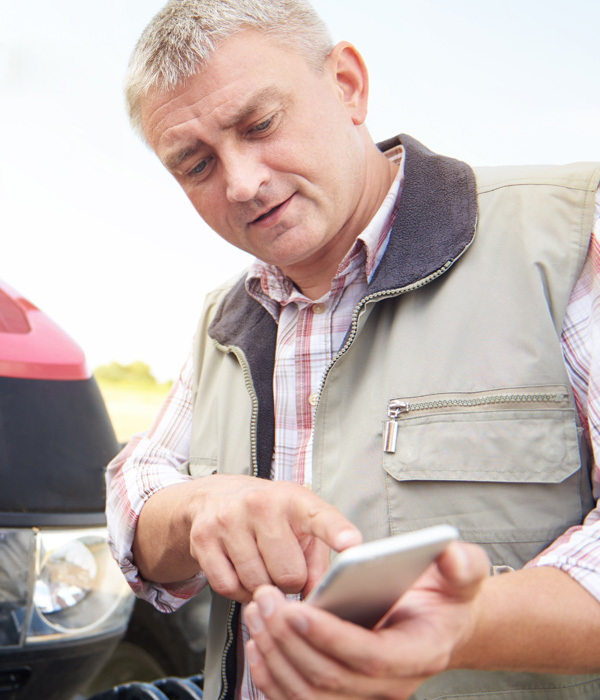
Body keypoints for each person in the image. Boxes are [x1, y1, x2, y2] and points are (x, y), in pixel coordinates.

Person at [106, 1, 600, 698]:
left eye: (260, 124)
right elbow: (136, 489)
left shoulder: (566, 242)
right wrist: (196, 510)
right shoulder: (224, 316)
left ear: (347, 84)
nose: (242, 182)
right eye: (196, 164)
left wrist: (466, 622)